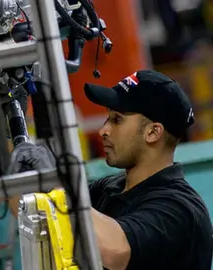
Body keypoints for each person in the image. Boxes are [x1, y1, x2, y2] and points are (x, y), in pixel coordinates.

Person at [84, 70, 212, 270]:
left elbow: (116, 251)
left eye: (117, 119)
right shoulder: (111, 188)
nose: (103, 130)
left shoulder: (179, 210)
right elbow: (35, 208)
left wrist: (58, 190)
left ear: (153, 132)